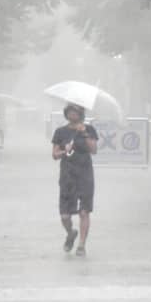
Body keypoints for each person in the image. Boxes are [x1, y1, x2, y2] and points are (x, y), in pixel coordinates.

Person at [51, 103, 98, 257]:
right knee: (65, 215)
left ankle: (82, 245)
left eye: (75, 112)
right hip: (67, 175)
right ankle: (71, 233)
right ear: (66, 114)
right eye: (70, 112)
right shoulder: (60, 132)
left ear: (81, 114)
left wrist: (84, 134)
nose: (72, 115)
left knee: (84, 212)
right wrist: (66, 150)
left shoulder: (89, 129)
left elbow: (94, 150)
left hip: (85, 174)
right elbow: (55, 155)